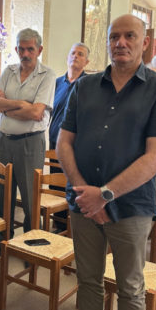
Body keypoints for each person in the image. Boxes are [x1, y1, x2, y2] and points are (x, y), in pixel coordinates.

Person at [57, 14, 156, 310]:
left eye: (130, 36)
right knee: (88, 280)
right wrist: (85, 193)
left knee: (129, 287)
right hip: (83, 202)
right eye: (114, 37)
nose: (121, 43)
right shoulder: (84, 86)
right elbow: (64, 142)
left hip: (130, 206)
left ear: (145, 43)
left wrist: (104, 195)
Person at [0, 28, 56, 259]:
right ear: (16, 49)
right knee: (3, 193)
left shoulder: (47, 75)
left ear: (39, 50)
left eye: (30, 49)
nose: (25, 54)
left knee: (30, 196)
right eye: (21, 49)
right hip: (5, 140)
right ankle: (1, 242)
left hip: (30, 142)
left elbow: (36, 113)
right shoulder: (9, 71)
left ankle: (31, 245)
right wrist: (21, 104)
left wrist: (6, 106)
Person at [48, 42, 90, 232]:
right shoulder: (57, 83)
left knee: (72, 184)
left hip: (76, 146)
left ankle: (72, 227)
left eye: (80, 54)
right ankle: (58, 225)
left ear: (86, 61)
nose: (76, 56)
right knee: (55, 184)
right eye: (73, 53)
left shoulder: (89, 85)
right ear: (67, 57)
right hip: (54, 142)